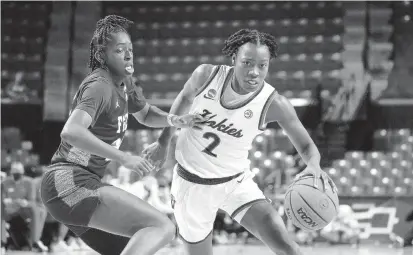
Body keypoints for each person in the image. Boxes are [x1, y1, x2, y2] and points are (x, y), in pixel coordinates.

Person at [143, 29, 338, 255]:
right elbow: (184, 99)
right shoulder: (206, 75)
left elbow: (306, 146)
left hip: (236, 182)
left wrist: (313, 165)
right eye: (247, 63)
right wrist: (163, 142)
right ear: (234, 58)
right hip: (192, 185)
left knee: (289, 249)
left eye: (262, 65)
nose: (254, 72)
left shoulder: (274, 103)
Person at [40, 15, 207, 255]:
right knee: (162, 226)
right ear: (101, 56)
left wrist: (175, 120)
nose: (128, 55)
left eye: (130, 49)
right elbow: (71, 131)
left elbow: (146, 114)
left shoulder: (125, 83)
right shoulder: (100, 86)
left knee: (129, 249)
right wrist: (124, 158)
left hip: (84, 182)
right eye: (120, 50)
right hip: (68, 181)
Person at [2, 162, 48, 251]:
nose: (16, 174)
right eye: (14, 171)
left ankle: (35, 241)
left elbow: (31, 200)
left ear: (22, 172)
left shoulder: (29, 182)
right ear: (11, 172)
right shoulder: (5, 182)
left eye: (18, 171)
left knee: (37, 209)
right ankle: (2, 241)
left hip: (23, 209)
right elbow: (3, 198)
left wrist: (25, 203)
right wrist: (6, 200)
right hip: (9, 210)